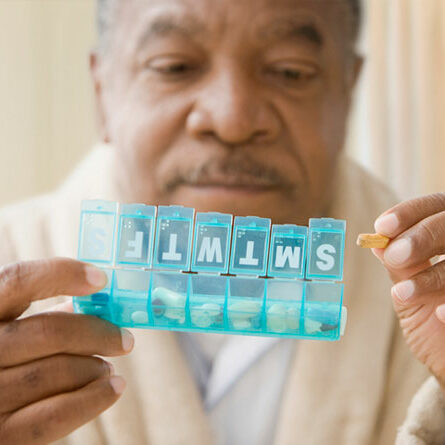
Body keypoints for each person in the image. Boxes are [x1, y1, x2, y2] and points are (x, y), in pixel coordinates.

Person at [0, 0, 442, 443]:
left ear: (349, 90)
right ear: (102, 90)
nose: (232, 120)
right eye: (173, 66)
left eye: (290, 71)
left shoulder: (432, 298)